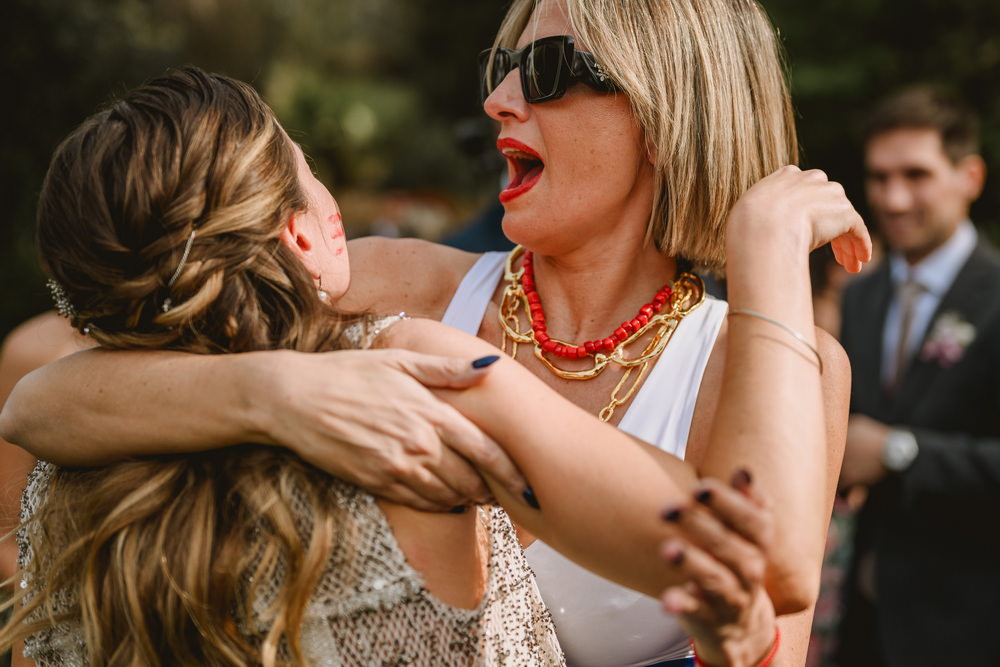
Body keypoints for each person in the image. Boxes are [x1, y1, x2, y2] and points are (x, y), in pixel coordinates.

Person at [1, 0, 872, 664]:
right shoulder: (401, 290)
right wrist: (281, 392)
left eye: (548, 68)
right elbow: (48, 387)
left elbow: (772, 585)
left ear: (669, 102)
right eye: (502, 65)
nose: (496, 99)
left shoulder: (781, 364)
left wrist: (767, 260)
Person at [835, 87, 1000, 666]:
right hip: (868, 616)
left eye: (916, 175)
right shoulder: (862, 295)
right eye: (879, 178)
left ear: (970, 177)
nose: (893, 198)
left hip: (973, 623)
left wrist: (902, 451)